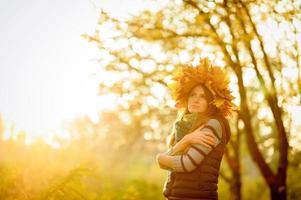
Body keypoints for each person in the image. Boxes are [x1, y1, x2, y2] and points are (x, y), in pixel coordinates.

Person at [156, 58, 237, 200]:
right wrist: (184, 141)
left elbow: (187, 164)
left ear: (211, 103)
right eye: (193, 95)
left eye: (203, 97)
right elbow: (165, 164)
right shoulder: (183, 128)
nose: (196, 100)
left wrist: (161, 157)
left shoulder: (213, 125)